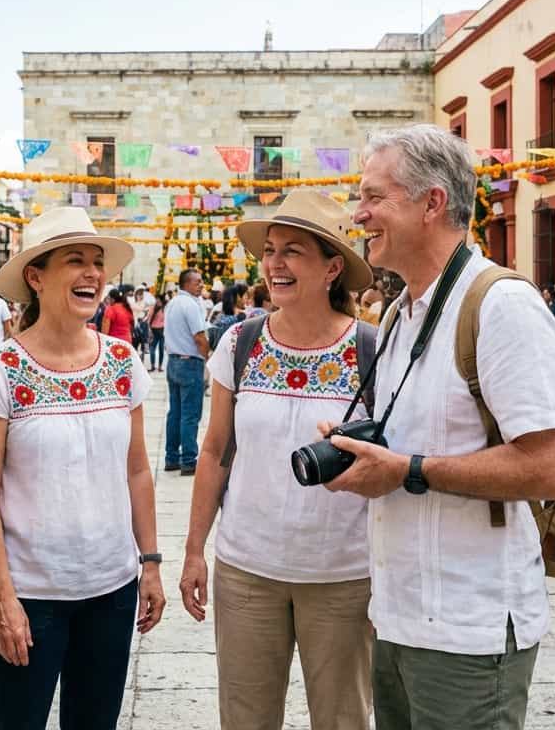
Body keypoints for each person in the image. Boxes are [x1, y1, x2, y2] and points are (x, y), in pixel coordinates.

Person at [332, 124, 555, 730]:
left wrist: (409, 471)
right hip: (400, 617)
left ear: (432, 203)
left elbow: (552, 468)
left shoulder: (502, 306)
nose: (358, 213)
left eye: (373, 197)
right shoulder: (400, 313)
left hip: (470, 628)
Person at [180, 191, 376, 729]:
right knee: (245, 719)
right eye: (269, 251)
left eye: (293, 250)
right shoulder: (239, 343)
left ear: (333, 267)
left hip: (342, 575)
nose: (275, 264)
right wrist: (195, 550)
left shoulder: (371, 350)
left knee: (342, 719)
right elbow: (216, 450)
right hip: (247, 571)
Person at [0, 207, 164, 729]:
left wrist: (149, 562)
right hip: (31, 595)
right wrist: (1, 598)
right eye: (75, 260)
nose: (93, 274)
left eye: (97, 263)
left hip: (112, 588)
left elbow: (138, 472)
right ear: (36, 277)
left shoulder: (123, 361)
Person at [164, 268, 211, 475]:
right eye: (197, 282)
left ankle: (171, 457)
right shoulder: (191, 305)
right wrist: (209, 356)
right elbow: (199, 337)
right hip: (190, 363)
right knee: (190, 414)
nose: (201, 285)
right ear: (186, 284)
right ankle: (189, 460)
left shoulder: (172, 303)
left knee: (175, 412)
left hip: (173, 361)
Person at [147, 291, 168, 372]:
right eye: (157, 300)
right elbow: (166, 320)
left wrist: (149, 329)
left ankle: (154, 366)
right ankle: (158, 366)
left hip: (156, 330)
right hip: (159, 330)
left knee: (154, 348)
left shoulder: (155, 308)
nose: (157, 302)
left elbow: (148, 319)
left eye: (158, 300)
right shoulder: (163, 309)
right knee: (158, 348)